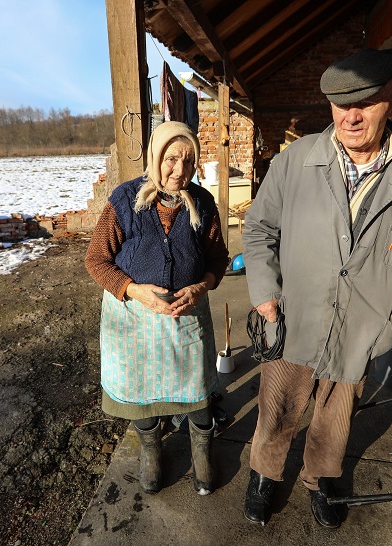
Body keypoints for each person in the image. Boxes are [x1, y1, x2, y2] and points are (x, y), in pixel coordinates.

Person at [242, 48, 392, 527]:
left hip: (361, 329)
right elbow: (258, 230)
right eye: (340, 103)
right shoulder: (295, 160)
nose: (351, 116)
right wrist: (265, 295)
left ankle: (319, 480)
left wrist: (391, 328)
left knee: (335, 422)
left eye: (367, 101)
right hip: (292, 319)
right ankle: (264, 477)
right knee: (275, 411)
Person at [84, 121, 229, 496]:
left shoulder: (203, 204)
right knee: (141, 398)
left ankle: (202, 454)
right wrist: (132, 289)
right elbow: (96, 260)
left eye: (188, 160)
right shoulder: (125, 200)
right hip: (134, 320)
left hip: (186, 317)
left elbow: (219, 258)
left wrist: (203, 285)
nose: (179, 170)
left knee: (197, 393)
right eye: (170, 158)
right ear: (155, 156)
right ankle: (152, 453)